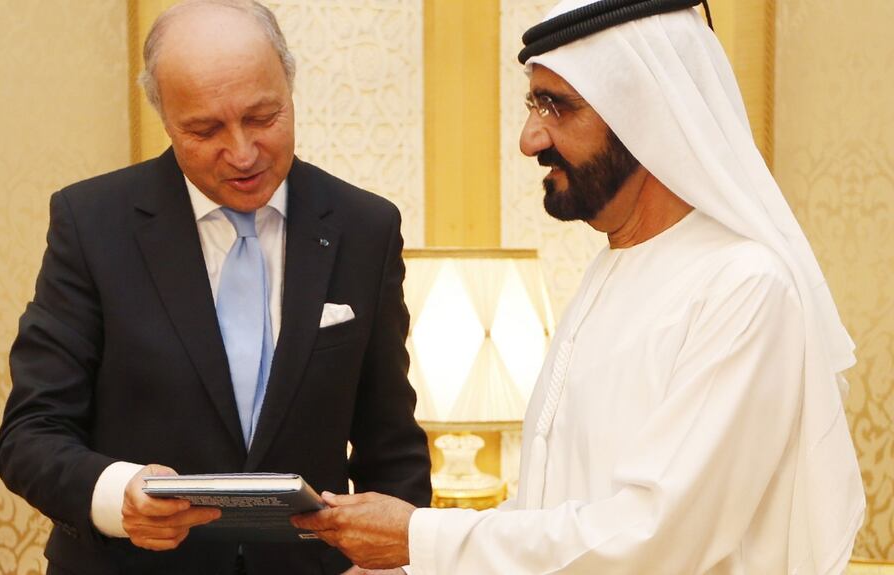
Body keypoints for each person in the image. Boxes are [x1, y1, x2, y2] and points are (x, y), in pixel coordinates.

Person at [292, 1, 866, 573]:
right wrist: (406, 568)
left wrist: (421, 540)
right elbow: (555, 511)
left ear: (645, 113)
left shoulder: (744, 287)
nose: (529, 138)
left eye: (557, 106)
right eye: (533, 105)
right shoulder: (611, 272)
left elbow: (654, 535)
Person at [0, 1, 431, 574]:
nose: (243, 153)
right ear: (165, 118)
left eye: (263, 117)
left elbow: (391, 444)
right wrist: (119, 495)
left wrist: (384, 564)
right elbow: (30, 434)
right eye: (205, 130)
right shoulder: (92, 223)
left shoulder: (365, 227)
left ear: (290, 89)